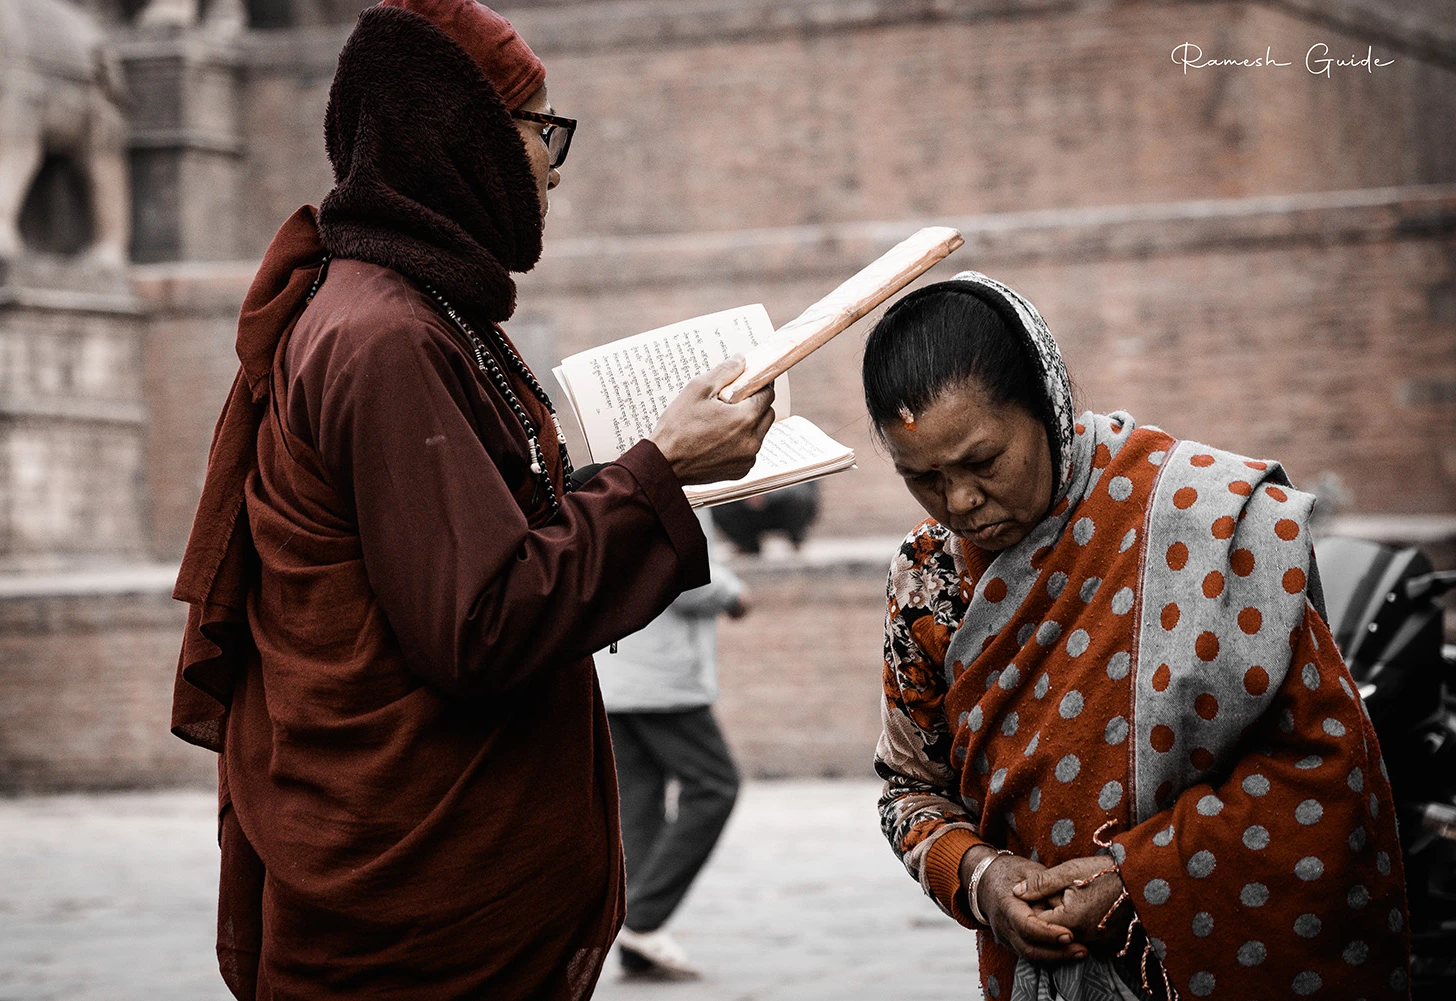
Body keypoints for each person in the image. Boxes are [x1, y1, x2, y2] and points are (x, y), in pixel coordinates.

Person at [166, 2, 775, 998]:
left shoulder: (410, 306)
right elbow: (479, 620)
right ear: (466, 143)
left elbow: (467, 543)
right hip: (411, 916)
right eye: (544, 131)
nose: (557, 162)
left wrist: (639, 472)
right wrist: (659, 469)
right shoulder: (385, 336)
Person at [865, 272, 1411, 1000]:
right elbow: (911, 788)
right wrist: (979, 875)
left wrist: (1142, 877)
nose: (959, 500)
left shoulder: (1200, 523)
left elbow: (1324, 768)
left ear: (1048, 405)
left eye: (983, 461)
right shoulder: (926, 580)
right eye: (923, 477)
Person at [598, 509, 747, 980]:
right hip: (660, 676)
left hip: (614, 667)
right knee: (715, 786)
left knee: (638, 803)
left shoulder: (615, 474)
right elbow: (687, 578)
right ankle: (642, 921)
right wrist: (736, 594)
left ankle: (636, 944)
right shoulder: (674, 482)